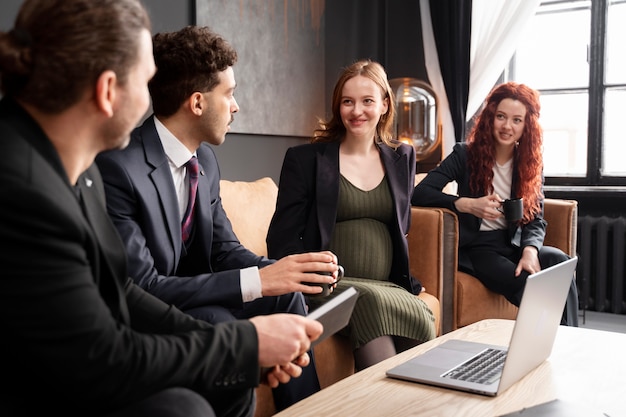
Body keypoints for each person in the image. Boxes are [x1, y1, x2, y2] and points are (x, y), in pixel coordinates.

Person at [0, 2, 324, 417]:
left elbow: (121, 288)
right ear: (107, 90)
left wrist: (244, 350)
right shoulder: (24, 188)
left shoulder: (76, 169)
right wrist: (241, 344)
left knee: (224, 383)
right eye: (146, 80)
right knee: (183, 408)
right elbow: (101, 355)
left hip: (82, 360)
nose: (154, 96)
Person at [95, 25, 336, 410]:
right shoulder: (119, 168)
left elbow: (224, 251)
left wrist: (285, 271)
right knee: (220, 320)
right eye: (230, 94)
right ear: (197, 103)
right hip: (152, 312)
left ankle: (304, 409)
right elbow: (141, 287)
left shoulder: (203, 160)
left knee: (285, 296)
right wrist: (257, 279)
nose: (236, 106)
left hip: (194, 299)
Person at [266, 59, 437, 372]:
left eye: (367, 101)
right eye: (348, 101)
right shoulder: (305, 160)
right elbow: (281, 240)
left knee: (415, 312)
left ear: (385, 104)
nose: (357, 111)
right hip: (327, 286)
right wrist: (306, 278)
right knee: (369, 301)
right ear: (338, 106)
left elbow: (401, 227)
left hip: (384, 286)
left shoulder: (402, 156)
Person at [412, 81, 578, 326]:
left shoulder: (530, 164)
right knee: (528, 283)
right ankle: (543, 347)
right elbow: (420, 193)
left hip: (513, 243)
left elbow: (535, 218)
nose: (507, 126)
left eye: (516, 120)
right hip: (478, 248)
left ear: (527, 125)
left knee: (561, 264)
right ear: (491, 117)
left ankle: (569, 342)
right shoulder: (464, 155)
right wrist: (467, 204)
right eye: (501, 116)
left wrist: (530, 251)